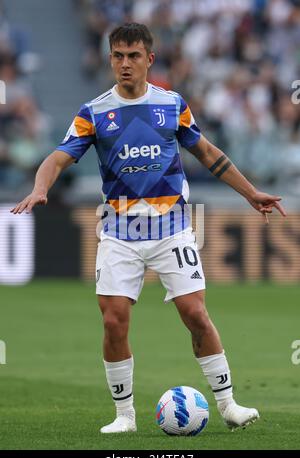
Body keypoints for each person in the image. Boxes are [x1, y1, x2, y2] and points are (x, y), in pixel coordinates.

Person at [11, 23, 286, 434]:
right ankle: (124, 416)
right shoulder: (94, 112)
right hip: (119, 230)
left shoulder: (172, 104)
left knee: (195, 312)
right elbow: (57, 158)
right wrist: (39, 188)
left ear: (149, 59)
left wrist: (250, 193)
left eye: (133, 56)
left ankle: (229, 406)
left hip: (172, 226)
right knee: (113, 320)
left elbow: (207, 152)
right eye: (118, 56)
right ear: (109, 60)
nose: (125, 64)